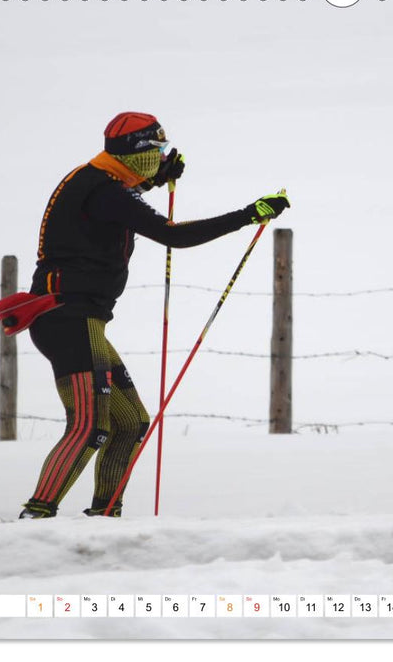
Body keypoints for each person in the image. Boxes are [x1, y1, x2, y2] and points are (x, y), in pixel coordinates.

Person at [15, 111, 289, 519]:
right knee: (89, 426)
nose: (162, 156)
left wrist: (153, 180)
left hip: (80, 320)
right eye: (157, 150)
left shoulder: (100, 182)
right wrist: (250, 214)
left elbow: (120, 205)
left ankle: (104, 519)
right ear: (137, 152)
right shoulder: (103, 190)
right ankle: (37, 516)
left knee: (130, 424)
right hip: (67, 318)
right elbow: (173, 235)